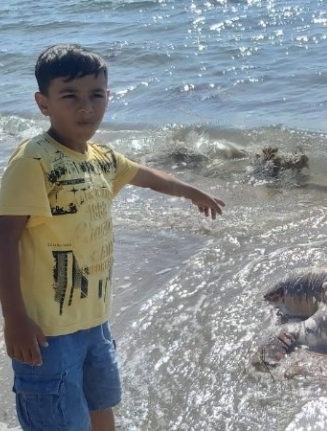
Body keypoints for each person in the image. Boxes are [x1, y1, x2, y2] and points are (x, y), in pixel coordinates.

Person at [0, 44, 226, 431]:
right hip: (46, 332)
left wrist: (192, 191)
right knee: (56, 419)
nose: (85, 107)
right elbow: (4, 240)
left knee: (100, 402)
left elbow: (148, 176)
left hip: (94, 321)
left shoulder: (100, 157)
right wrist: (15, 319)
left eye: (96, 95)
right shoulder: (33, 161)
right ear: (43, 103)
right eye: (69, 96)